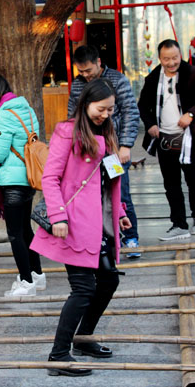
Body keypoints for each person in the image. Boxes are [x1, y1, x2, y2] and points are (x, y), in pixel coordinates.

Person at [30, 79, 132, 377]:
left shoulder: (107, 132)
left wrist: (120, 212)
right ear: (86, 103)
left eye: (110, 109)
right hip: (73, 222)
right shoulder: (67, 132)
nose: (105, 114)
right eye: (101, 109)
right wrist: (58, 217)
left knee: (109, 280)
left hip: (100, 223)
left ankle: (83, 339)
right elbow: (50, 178)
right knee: (84, 289)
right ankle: (59, 355)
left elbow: (109, 180)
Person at [0, 73, 46, 296]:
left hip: (12, 181)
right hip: (28, 177)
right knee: (25, 230)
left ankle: (26, 282)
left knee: (15, 234)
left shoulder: (4, 114)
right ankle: (37, 274)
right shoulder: (27, 109)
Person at [67, 45, 141, 258]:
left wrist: (125, 145)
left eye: (88, 70)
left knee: (120, 192)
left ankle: (130, 237)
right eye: (81, 71)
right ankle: (101, 239)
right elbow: (72, 115)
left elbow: (130, 112)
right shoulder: (78, 84)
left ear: (98, 62)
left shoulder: (117, 80)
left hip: (114, 149)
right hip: (89, 150)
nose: (85, 75)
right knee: (92, 195)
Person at [138, 39, 195, 241]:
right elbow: (142, 105)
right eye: (166, 59)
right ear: (159, 58)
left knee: (194, 180)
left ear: (180, 55)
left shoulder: (192, 73)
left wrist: (191, 114)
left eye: (175, 58)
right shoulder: (154, 77)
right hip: (165, 137)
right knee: (171, 184)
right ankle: (179, 224)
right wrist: (150, 125)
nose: (171, 63)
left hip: (189, 137)